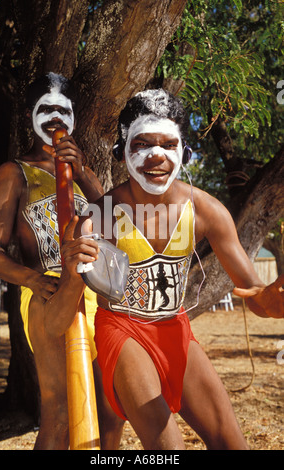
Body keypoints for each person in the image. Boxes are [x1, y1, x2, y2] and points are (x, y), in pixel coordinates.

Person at [55, 88, 283, 450]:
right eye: (142, 144)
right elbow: (66, 305)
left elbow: (252, 291)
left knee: (233, 444)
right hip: (123, 330)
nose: (155, 156)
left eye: (167, 144)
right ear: (121, 151)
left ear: (184, 152)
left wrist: (271, 301)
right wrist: (71, 271)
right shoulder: (97, 218)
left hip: (176, 329)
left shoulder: (208, 212)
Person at [0, 72, 124, 449]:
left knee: (111, 410)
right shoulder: (14, 174)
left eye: (63, 111)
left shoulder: (83, 174)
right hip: (47, 292)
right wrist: (30, 280)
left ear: (74, 119)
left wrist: (84, 173)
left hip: (100, 294)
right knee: (62, 412)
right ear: (30, 115)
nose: (55, 118)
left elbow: (118, 227)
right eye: (45, 109)